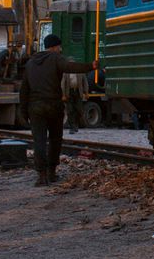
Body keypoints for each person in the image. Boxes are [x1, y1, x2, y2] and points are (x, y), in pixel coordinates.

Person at [19, 34, 99, 186]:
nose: (60, 49)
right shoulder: (56, 58)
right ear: (55, 47)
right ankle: (52, 172)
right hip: (54, 106)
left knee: (39, 141)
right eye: (59, 47)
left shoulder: (30, 63)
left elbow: (24, 90)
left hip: (35, 107)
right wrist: (91, 66)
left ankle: (41, 176)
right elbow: (71, 67)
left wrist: (24, 112)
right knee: (55, 140)